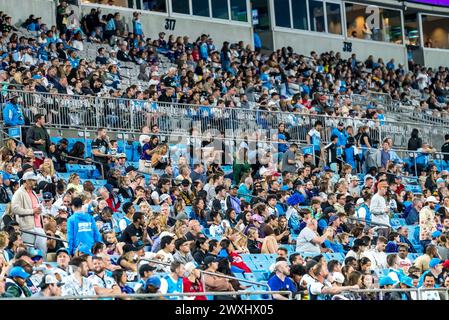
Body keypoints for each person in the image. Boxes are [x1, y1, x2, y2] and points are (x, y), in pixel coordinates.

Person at [11, 171, 47, 256]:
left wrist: (39, 210)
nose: (35, 182)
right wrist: (32, 211)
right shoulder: (19, 193)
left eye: (35, 180)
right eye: (33, 180)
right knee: (28, 253)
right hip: (27, 228)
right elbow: (15, 209)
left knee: (42, 252)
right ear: (27, 181)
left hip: (38, 226)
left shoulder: (33, 192)